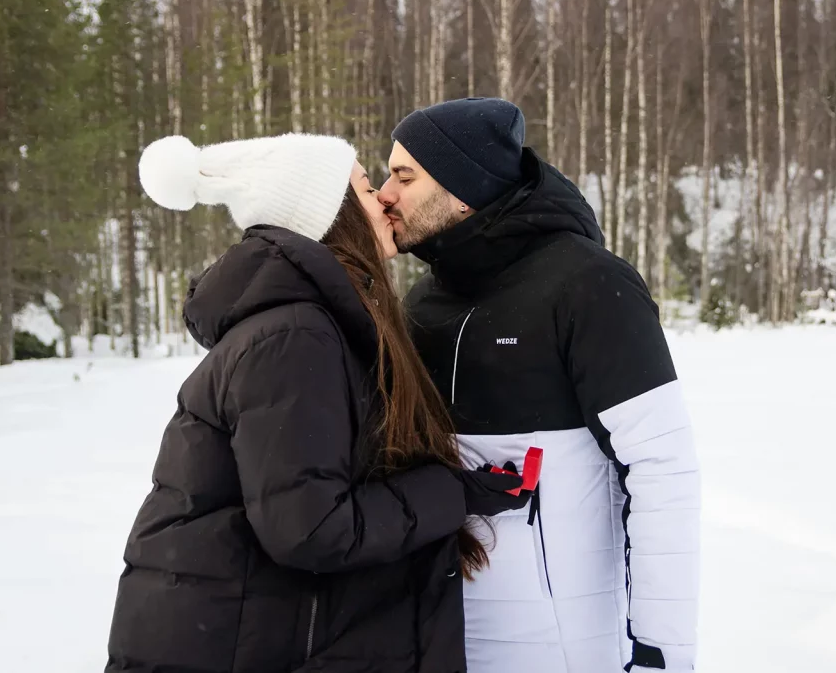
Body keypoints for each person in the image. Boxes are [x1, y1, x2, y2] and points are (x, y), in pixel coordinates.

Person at [105, 132, 530, 673]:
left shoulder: (310, 323)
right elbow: (310, 528)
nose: (383, 200)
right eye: (367, 187)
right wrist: (453, 490)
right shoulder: (295, 335)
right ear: (330, 212)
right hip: (222, 645)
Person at [379, 98, 701, 673]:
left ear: (463, 188)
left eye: (405, 176)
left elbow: (663, 471)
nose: (384, 193)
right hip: (444, 640)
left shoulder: (589, 286)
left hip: (560, 648)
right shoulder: (424, 302)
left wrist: (661, 654)